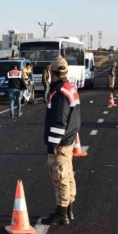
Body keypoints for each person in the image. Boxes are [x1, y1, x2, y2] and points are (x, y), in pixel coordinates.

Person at [42, 56, 81, 225]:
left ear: (52, 72)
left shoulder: (59, 93)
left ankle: (61, 213)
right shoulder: (69, 88)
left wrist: (53, 144)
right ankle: (69, 209)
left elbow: (59, 121)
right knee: (68, 175)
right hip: (69, 140)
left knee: (60, 177)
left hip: (61, 143)